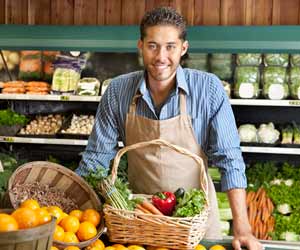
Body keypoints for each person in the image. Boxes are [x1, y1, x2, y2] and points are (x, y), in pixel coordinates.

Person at [76, 7, 262, 250]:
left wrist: (242, 226)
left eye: (170, 46)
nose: (161, 56)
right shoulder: (118, 92)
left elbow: (230, 159)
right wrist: (71, 211)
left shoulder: (208, 90)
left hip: (194, 221)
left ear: (183, 48)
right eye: (153, 45)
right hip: (140, 219)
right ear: (140, 45)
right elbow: (96, 161)